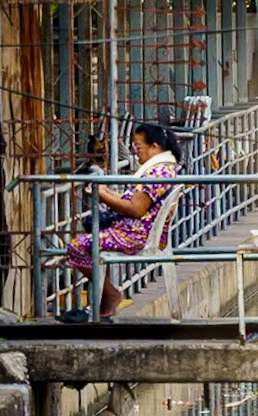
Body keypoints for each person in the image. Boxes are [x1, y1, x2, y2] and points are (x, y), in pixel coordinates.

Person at [58, 122, 181, 323]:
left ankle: (110, 294)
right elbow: (134, 203)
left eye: (138, 147)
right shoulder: (163, 169)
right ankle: (104, 297)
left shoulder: (158, 173)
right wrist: (106, 193)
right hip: (139, 231)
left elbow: (135, 209)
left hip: (137, 236)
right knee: (86, 242)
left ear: (155, 146)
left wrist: (103, 196)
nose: (136, 152)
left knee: (77, 247)